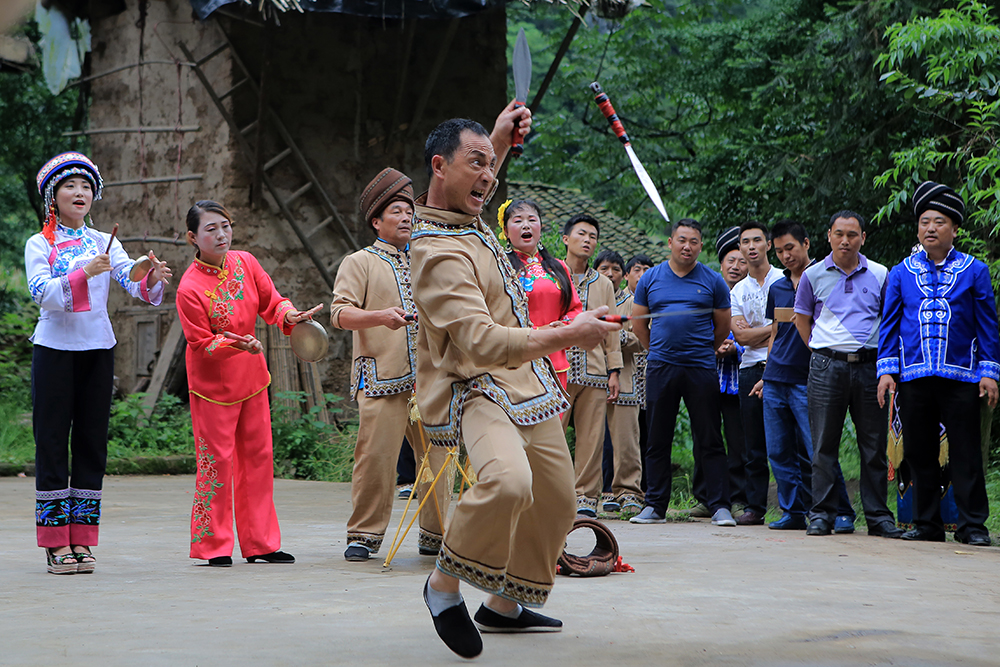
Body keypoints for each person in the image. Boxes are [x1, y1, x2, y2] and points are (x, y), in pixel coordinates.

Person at [410, 109, 621, 658]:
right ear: (439, 166)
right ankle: (443, 585)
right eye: (475, 164)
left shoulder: (468, 217)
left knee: (556, 498)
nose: (489, 176)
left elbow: (480, 176)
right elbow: (480, 342)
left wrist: (497, 141)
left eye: (491, 166)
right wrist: (568, 332)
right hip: (473, 385)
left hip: (524, 382)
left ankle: (504, 604)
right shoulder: (436, 250)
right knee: (509, 483)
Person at [27, 152, 171, 574]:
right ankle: (56, 543)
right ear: (53, 196)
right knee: (52, 442)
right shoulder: (41, 244)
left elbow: (130, 278)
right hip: (53, 350)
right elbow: (42, 293)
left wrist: (149, 275)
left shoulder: (104, 242)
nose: (80, 192)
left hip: (97, 350)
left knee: (92, 444)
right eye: (70, 186)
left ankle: (83, 540)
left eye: (86, 187)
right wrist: (85, 273)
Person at [176, 200, 321, 566]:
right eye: (211, 229)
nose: (222, 234)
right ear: (193, 237)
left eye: (225, 226)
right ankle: (214, 546)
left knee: (259, 459)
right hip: (212, 389)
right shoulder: (189, 288)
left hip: (253, 380)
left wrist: (292, 316)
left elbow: (272, 302)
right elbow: (200, 342)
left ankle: (262, 544)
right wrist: (235, 343)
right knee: (217, 463)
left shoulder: (246, 262)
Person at [329, 168, 449, 562]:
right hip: (381, 374)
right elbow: (340, 314)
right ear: (376, 221)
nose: (405, 218)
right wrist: (380, 317)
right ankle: (364, 534)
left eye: (409, 211)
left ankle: (435, 534)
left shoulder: (428, 260)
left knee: (439, 456)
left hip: (431, 378)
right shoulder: (359, 261)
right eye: (396, 211)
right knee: (376, 458)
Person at [877, 182, 999, 546]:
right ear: (917, 228)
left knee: (965, 451)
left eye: (940, 222)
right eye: (925, 221)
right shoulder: (901, 273)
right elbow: (889, 323)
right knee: (919, 451)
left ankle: (972, 526)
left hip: (961, 374)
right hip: (914, 375)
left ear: (954, 229)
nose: (931, 228)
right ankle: (926, 524)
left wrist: (989, 372)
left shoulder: (973, 270)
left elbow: (987, 323)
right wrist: (886, 371)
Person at [793, 211, 901, 538]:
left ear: (863, 238)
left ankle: (879, 517)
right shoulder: (813, 275)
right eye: (839, 233)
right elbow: (802, 319)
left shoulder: (882, 274)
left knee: (873, 446)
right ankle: (822, 515)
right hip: (826, 366)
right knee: (824, 444)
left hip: (871, 367)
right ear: (829, 236)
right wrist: (820, 349)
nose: (845, 240)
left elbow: (890, 319)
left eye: (852, 234)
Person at [748, 220, 855, 531]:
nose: (785, 256)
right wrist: (766, 374)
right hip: (776, 378)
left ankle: (841, 511)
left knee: (817, 450)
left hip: (811, 377)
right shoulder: (778, 286)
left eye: (790, 248)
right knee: (778, 451)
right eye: (779, 250)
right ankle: (794, 511)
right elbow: (774, 334)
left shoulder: (826, 278)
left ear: (807, 244)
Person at [629, 219, 735, 527]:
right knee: (657, 437)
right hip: (661, 366)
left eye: (694, 242)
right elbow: (639, 325)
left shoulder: (713, 280)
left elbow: (722, 327)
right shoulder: (651, 278)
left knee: (710, 437)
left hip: (701, 366)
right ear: (670, 243)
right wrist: (660, 349)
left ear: (701, 246)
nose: (687, 246)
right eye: (682, 240)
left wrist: (701, 348)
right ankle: (654, 505)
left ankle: (719, 506)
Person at [560, 214, 623, 517]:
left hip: (595, 370)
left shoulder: (604, 284)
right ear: (565, 239)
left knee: (591, 438)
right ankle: (553, 494)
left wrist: (614, 370)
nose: (587, 240)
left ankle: (585, 499)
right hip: (555, 368)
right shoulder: (549, 275)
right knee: (551, 436)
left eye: (593, 236)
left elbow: (612, 330)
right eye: (581, 234)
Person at [690, 226, 748, 520]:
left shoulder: (751, 293)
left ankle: (737, 499)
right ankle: (705, 497)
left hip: (738, 381)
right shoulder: (707, 288)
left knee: (738, 441)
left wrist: (735, 346)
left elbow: (758, 335)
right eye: (730, 261)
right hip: (707, 376)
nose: (736, 267)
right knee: (704, 438)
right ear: (721, 263)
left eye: (742, 262)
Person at [729, 220, 783, 526]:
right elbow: (742, 338)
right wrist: (773, 329)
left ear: (768, 244)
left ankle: (799, 505)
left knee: (789, 440)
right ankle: (755, 507)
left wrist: (765, 332)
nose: (751, 247)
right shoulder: (738, 290)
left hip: (782, 367)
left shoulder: (784, 280)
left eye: (757, 240)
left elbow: (789, 328)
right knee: (752, 443)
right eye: (745, 242)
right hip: (749, 368)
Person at [501, 198, 583, 390]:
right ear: (505, 231)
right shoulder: (499, 268)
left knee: (555, 420)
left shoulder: (559, 268)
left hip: (555, 361)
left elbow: (575, 309)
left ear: (540, 227)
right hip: (516, 360)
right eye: (518, 220)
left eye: (531, 219)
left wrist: (562, 326)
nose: (526, 225)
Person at [595, 249, 644, 517]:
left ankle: (628, 493)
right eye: (604, 269)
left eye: (615, 269)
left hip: (625, 378)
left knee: (627, 440)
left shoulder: (633, 302)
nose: (610, 274)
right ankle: (589, 494)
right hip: (589, 376)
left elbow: (639, 338)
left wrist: (610, 336)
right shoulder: (588, 298)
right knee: (591, 440)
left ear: (622, 274)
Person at [624, 253, 654, 491]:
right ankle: (617, 487)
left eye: (647, 269)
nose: (642, 274)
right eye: (637, 269)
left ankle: (649, 487)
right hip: (625, 377)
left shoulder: (659, 301)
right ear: (627, 275)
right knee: (624, 436)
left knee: (651, 432)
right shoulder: (619, 302)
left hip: (653, 376)